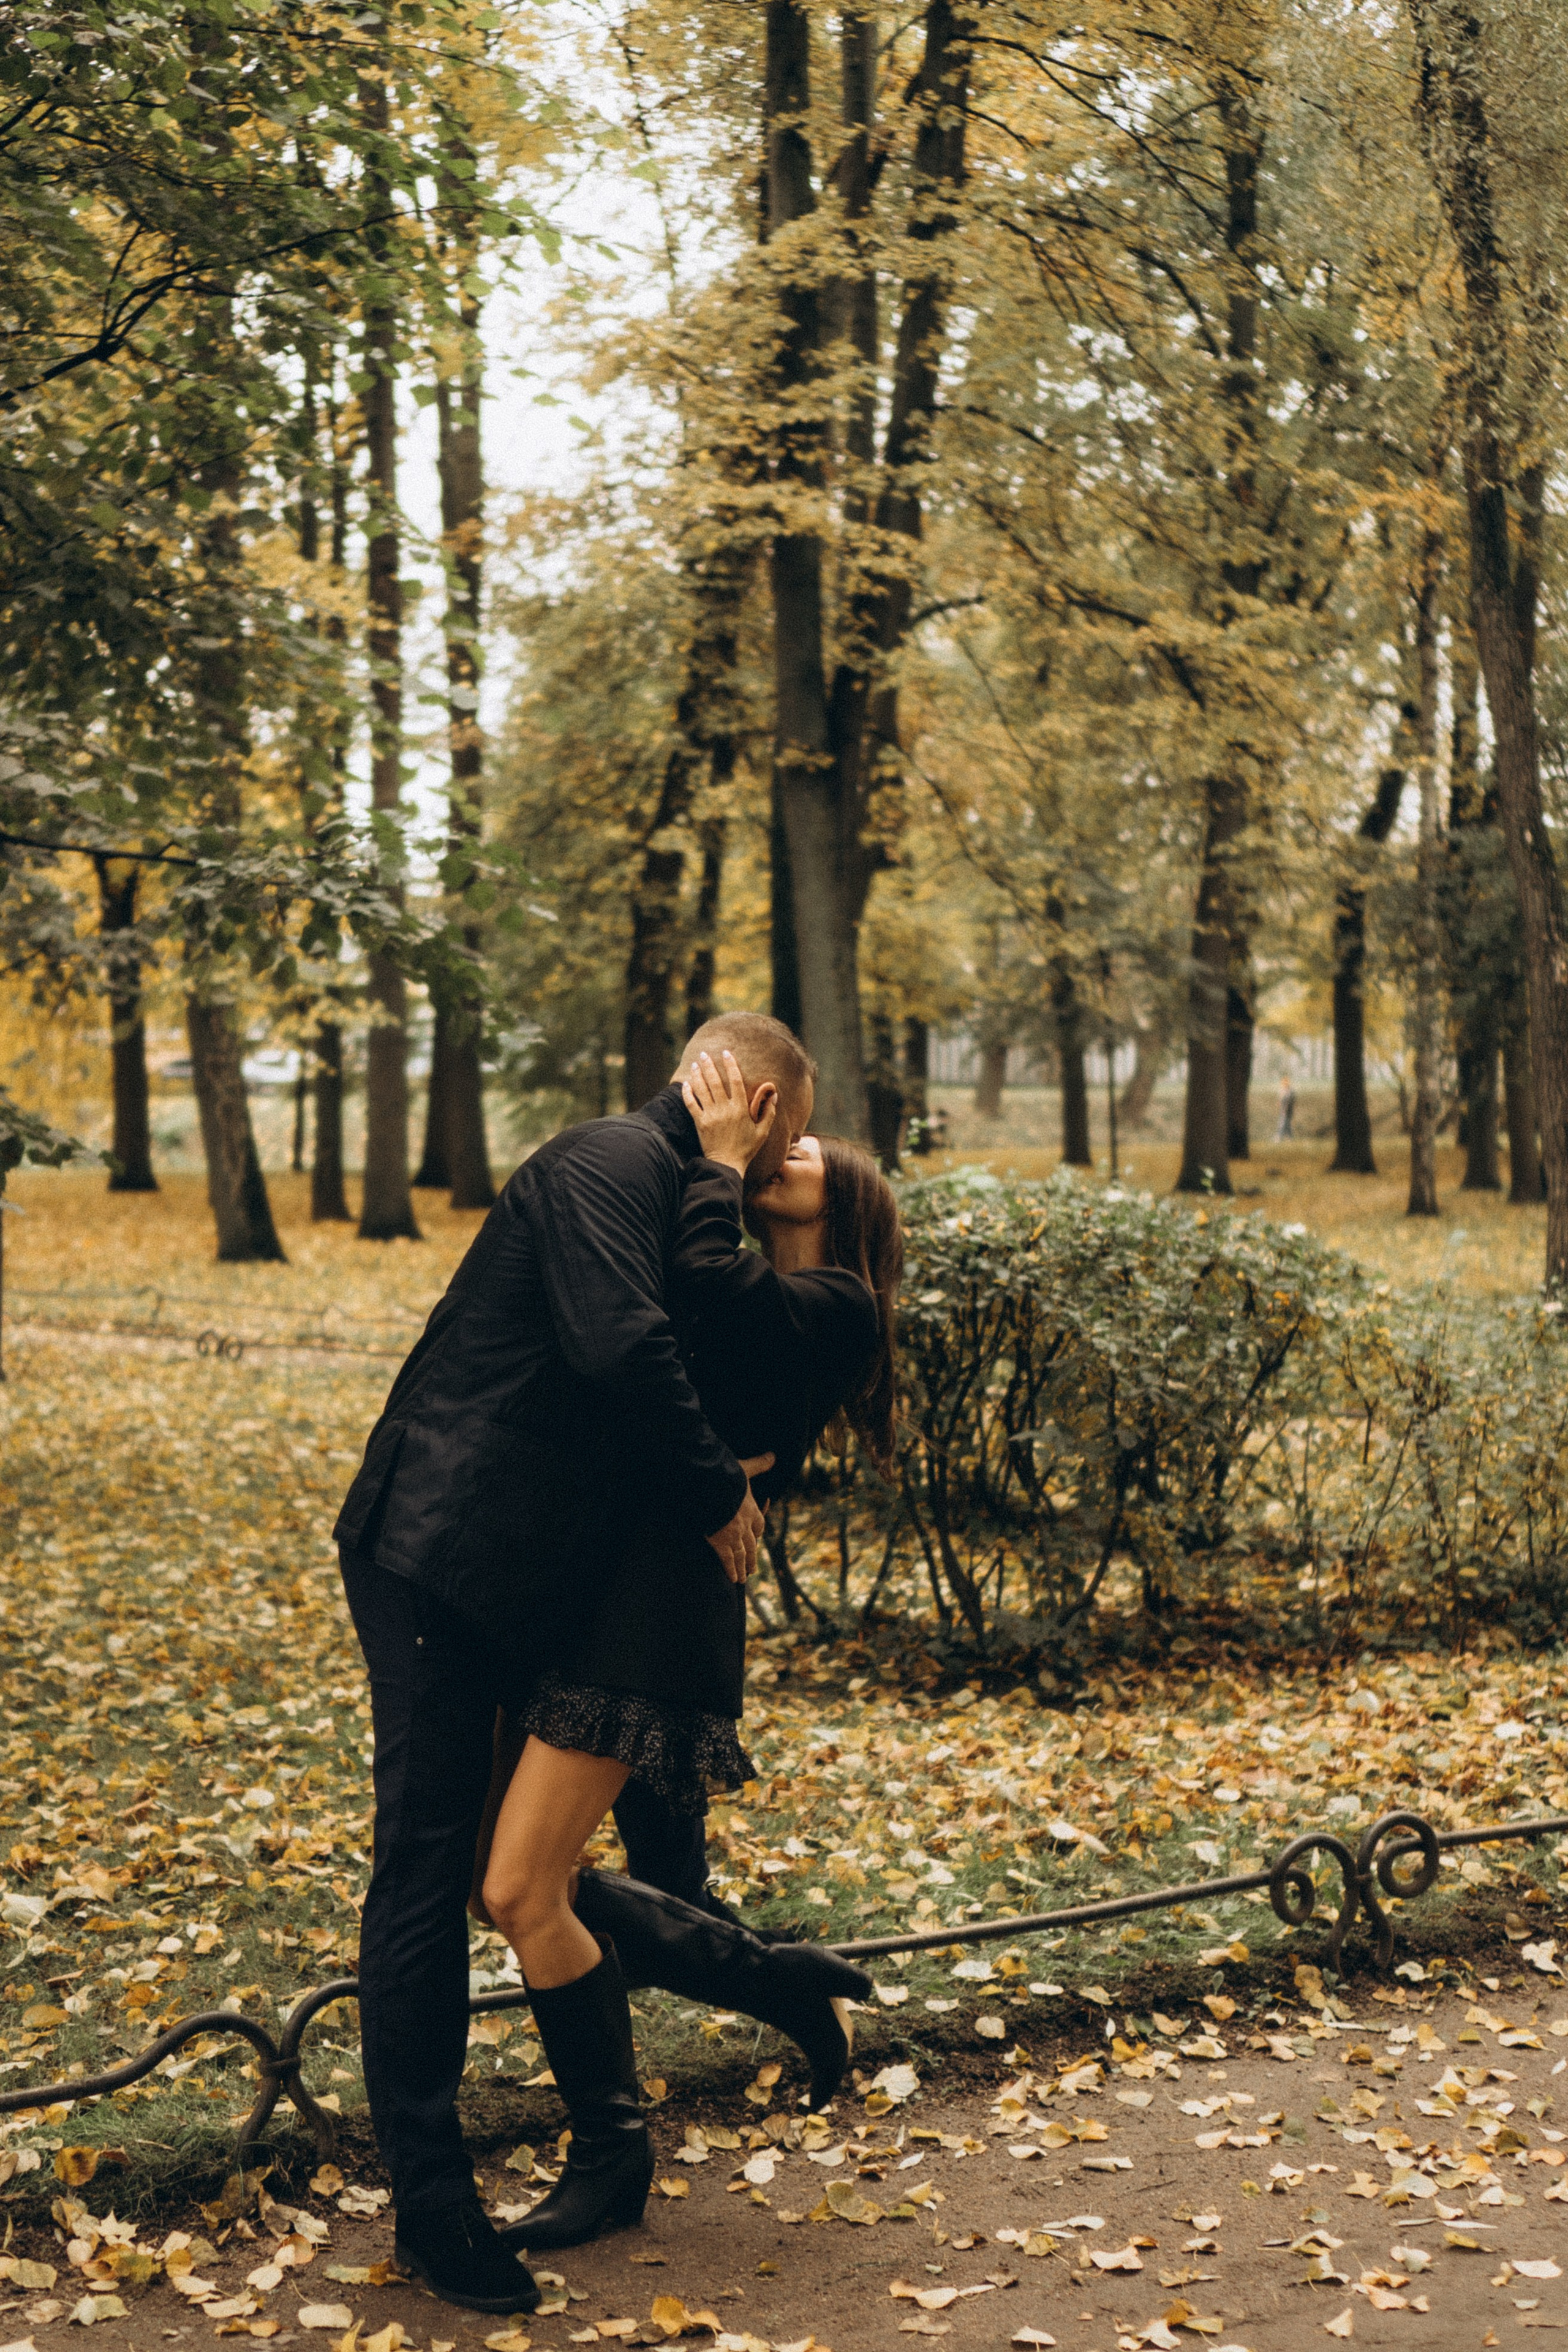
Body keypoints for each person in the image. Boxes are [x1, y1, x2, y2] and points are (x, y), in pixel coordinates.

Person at [334, 1012, 815, 2313]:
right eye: (787, 1144)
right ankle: (434, 2210)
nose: (783, 1176)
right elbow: (619, 1348)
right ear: (757, 1102)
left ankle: (745, 1991)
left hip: (532, 1582)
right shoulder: (602, 1164)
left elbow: (738, 1367)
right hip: (440, 1554)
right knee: (431, 1869)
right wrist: (717, 1491)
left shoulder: (684, 1201)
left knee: (519, 1869)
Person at [475, 1052, 903, 2257]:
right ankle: (772, 1981)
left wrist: (716, 1162)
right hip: (598, 1579)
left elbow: (700, 1285)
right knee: (500, 1878)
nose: (790, 1153)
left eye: (814, 1157)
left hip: (660, 1603)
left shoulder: (830, 1308)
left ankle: (611, 2154)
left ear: (844, 1207)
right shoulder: (750, 1282)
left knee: (519, 1889)